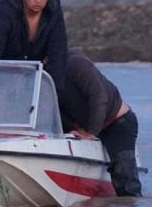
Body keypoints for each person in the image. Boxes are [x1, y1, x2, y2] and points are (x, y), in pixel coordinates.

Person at [57, 51, 143, 197]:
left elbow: (99, 95)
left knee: (128, 190)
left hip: (117, 123)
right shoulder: (41, 73)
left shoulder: (75, 63)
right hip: (80, 128)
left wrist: (91, 132)